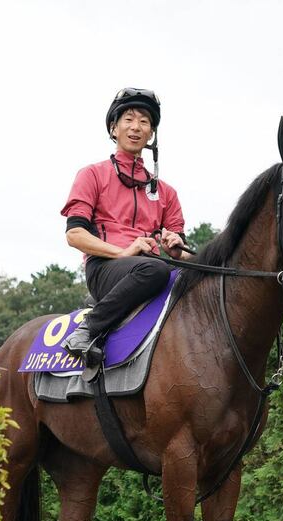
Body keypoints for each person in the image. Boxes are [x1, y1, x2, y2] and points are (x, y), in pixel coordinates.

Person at [60, 87, 190, 370]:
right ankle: (87, 330)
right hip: (106, 268)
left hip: (152, 268)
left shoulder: (167, 192)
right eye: (129, 119)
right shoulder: (92, 174)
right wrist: (123, 252)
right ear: (113, 128)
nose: (136, 127)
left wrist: (175, 248)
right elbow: (74, 235)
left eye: (144, 121)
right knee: (154, 269)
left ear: (151, 134)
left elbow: (184, 253)